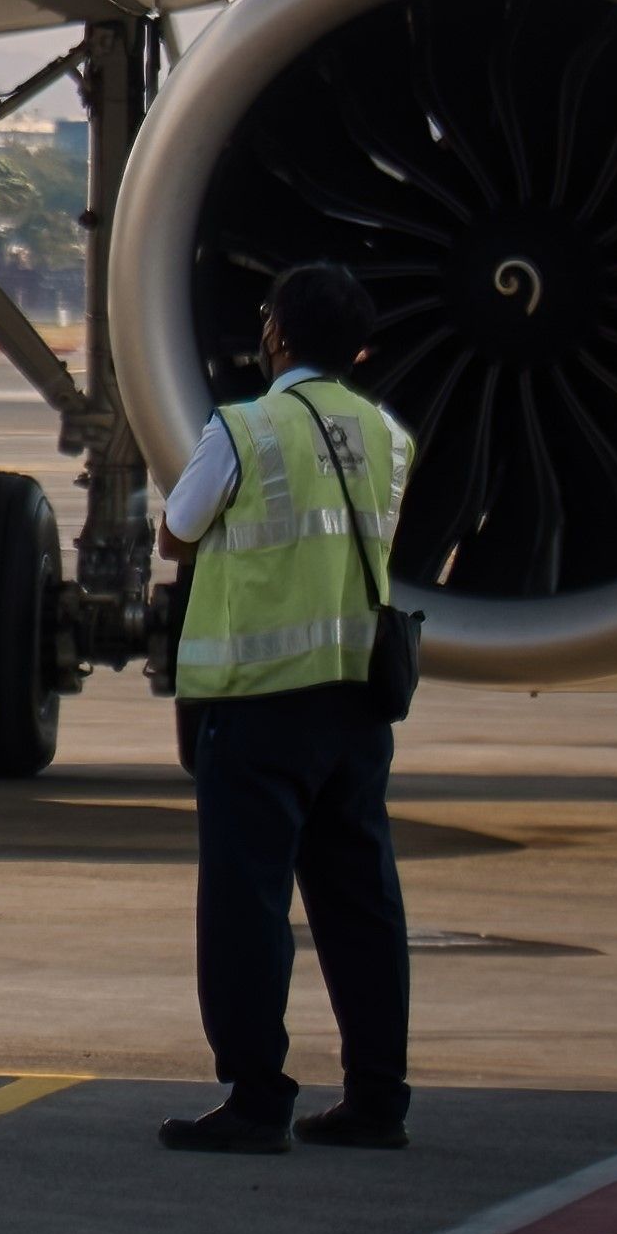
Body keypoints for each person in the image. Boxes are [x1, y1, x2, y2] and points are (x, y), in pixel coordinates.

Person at [159, 258, 419, 1155]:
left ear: (274, 334)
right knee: (362, 903)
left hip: (262, 703)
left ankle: (257, 1097)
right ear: (361, 347)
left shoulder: (247, 428)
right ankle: (379, 1098)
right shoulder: (389, 436)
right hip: (357, 703)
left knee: (248, 904)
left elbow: (179, 530)